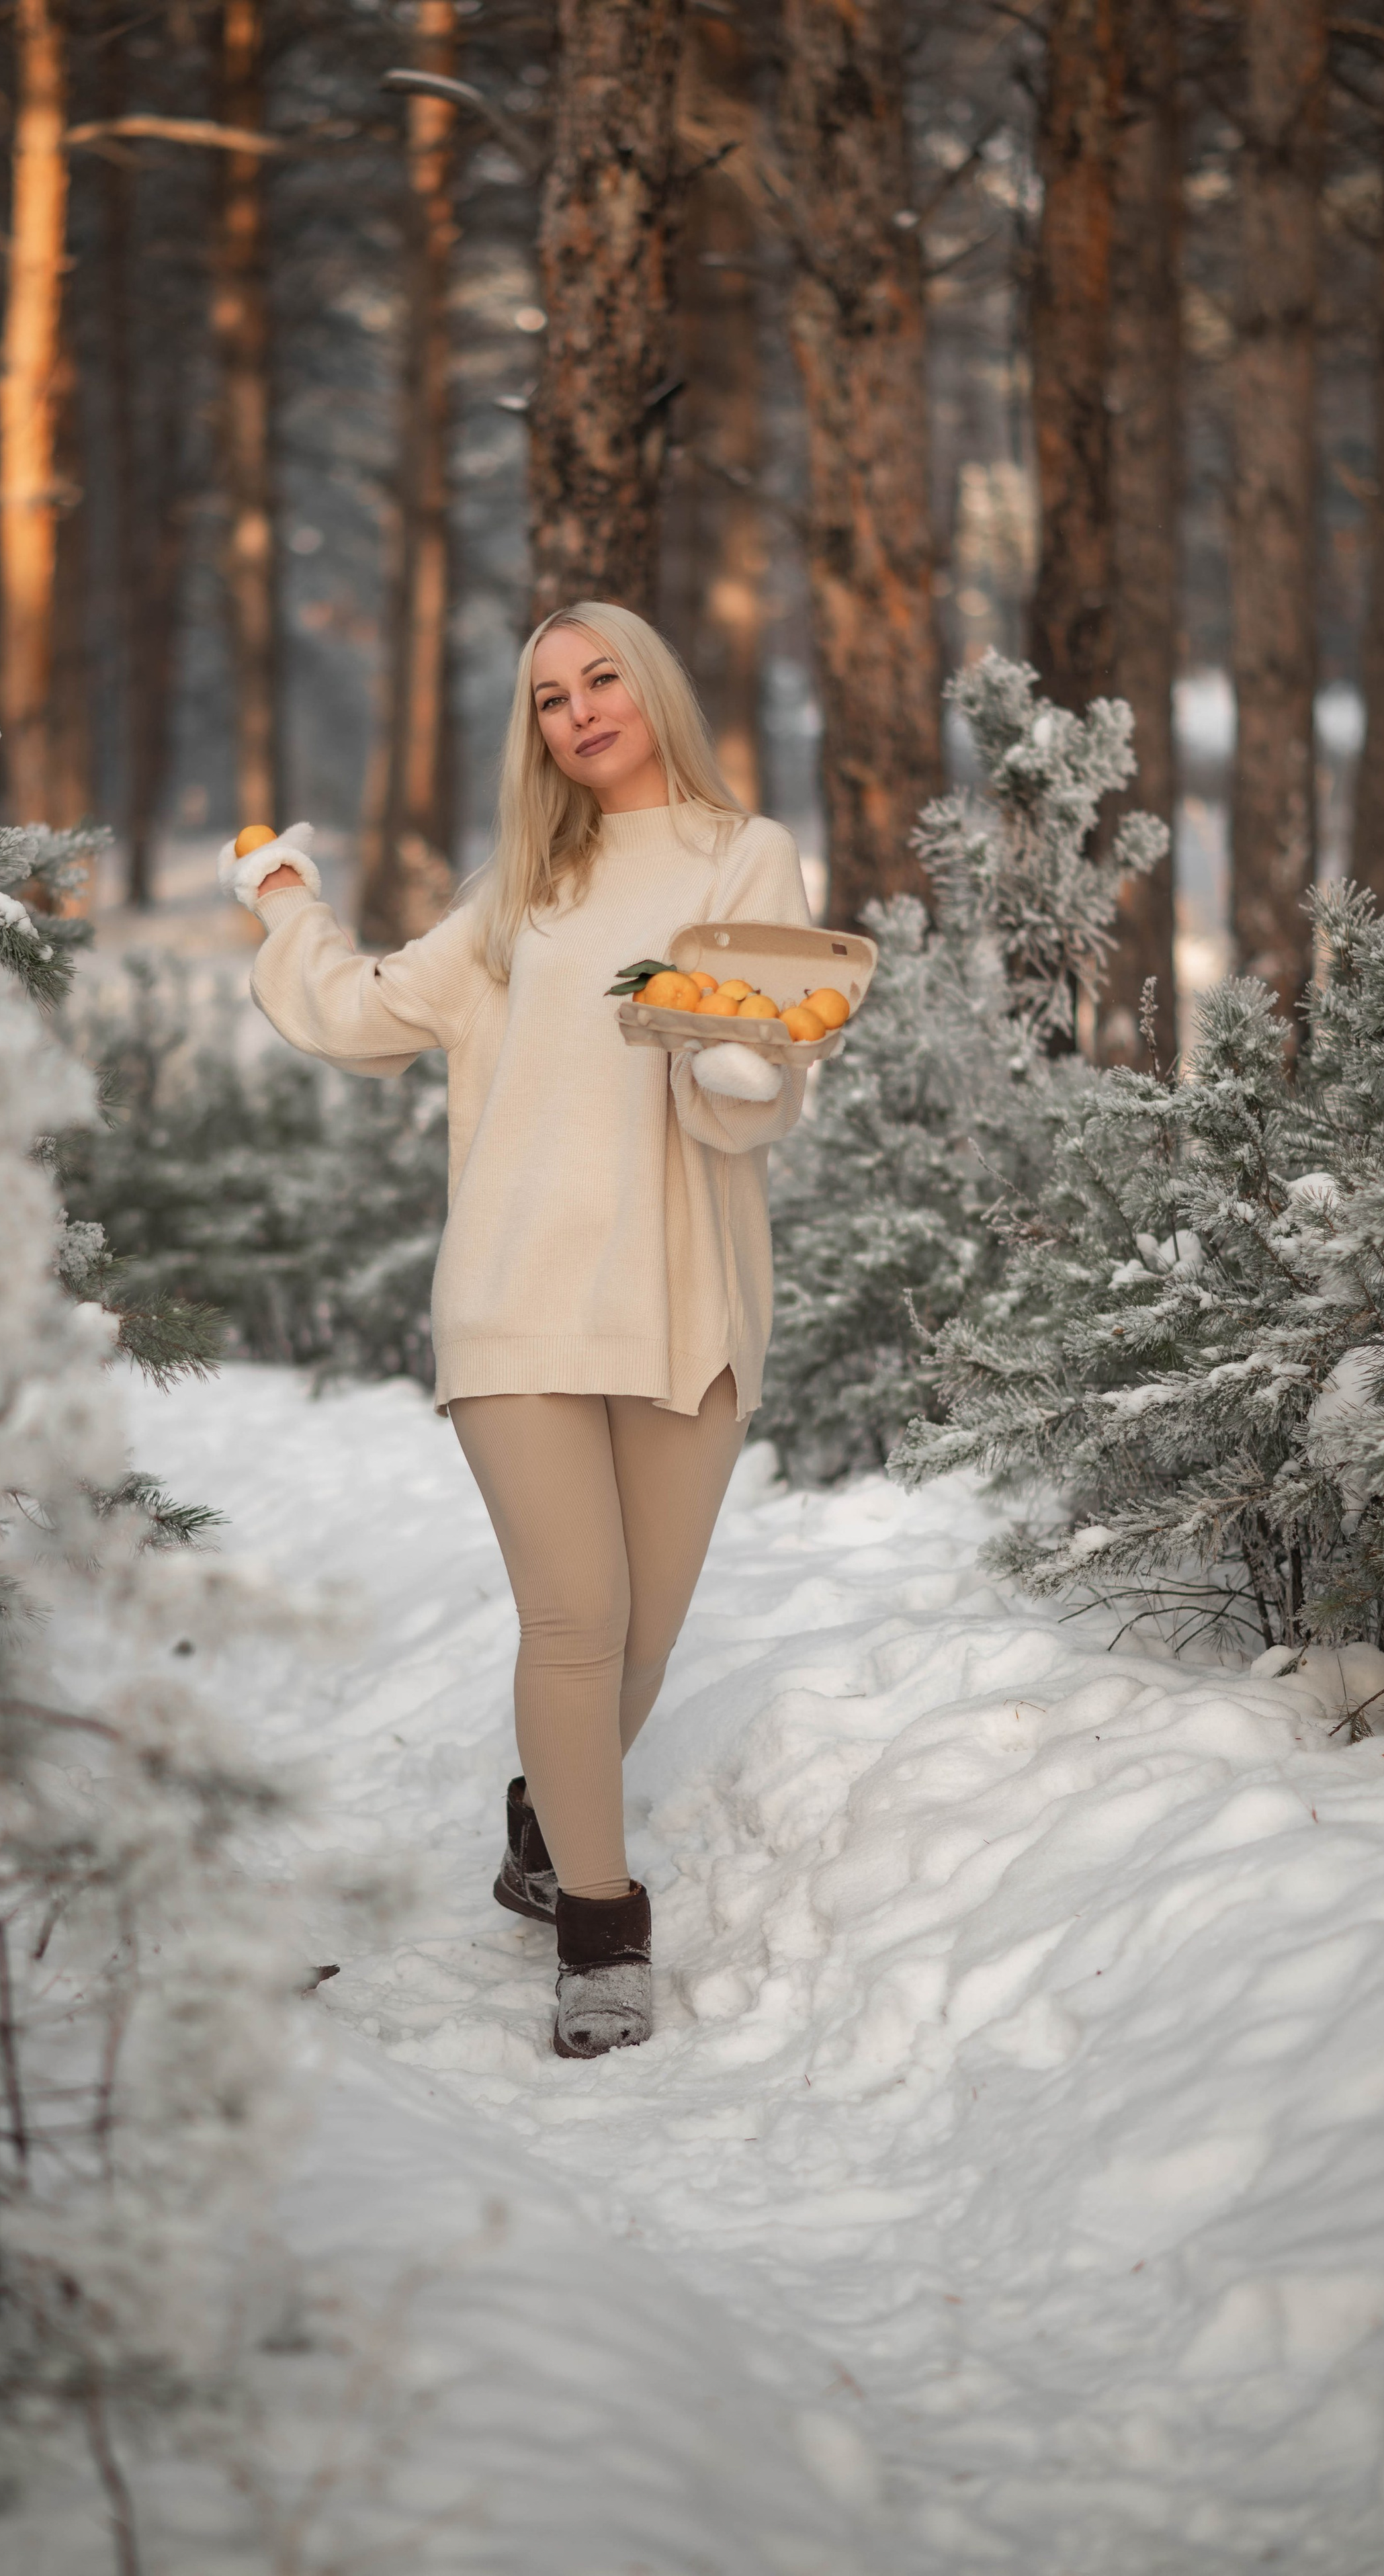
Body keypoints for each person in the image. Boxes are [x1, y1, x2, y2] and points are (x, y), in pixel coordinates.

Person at [224, 600, 812, 2059]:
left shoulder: (742, 855)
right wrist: (288, 901)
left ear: (651, 688)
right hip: (516, 1297)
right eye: (551, 697)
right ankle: (600, 1935)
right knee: (575, 1620)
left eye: (602, 678)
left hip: (682, 1303)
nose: (580, 710)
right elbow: (362, 1011)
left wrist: (737, 1064)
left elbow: (756, 1076)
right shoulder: (522, 889)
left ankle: (548, 1825)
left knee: (641, 1640)